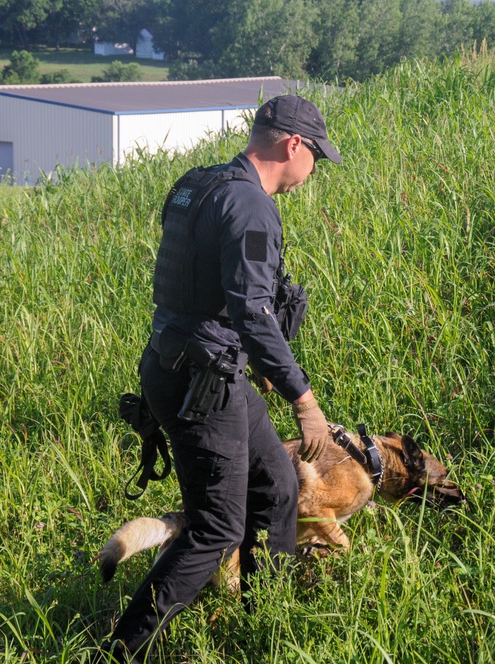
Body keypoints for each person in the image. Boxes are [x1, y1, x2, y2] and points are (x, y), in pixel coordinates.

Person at [95, 95, 342, 663]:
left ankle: (267, 618)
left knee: (277, 483)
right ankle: (118, 651)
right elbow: (253, 311)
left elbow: (203, 287)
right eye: (316, 157)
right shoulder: (253, 206)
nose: (314, 171)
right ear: (293, 145)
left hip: (181, 363)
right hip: (203, 381)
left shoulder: (197, 184)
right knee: (214, 528)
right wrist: (303, 400)